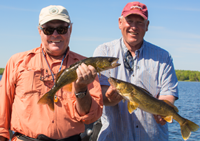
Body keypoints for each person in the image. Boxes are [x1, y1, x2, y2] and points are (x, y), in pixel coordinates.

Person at [0, 5, 103, 141]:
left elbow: (91, 116)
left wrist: (81, 89)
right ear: (40, 31)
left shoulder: (86, 66)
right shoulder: (17, 62)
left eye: (61, 29)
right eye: (48, 29)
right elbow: (2, 109)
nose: (55, 34)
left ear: (70, 30)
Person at [93, 1, 178, 141]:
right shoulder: (103, 52)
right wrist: (107, 97)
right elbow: (98, 93)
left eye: (140, 22)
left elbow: (168, 95)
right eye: (129, 21)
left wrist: (163, 112)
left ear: (147, 26)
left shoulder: (163, 57)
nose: (134, 27)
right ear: (120, 22)